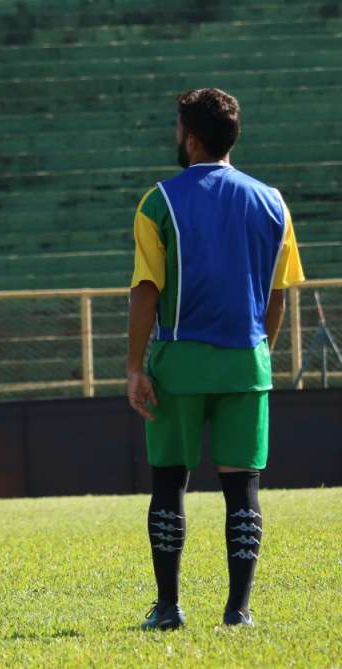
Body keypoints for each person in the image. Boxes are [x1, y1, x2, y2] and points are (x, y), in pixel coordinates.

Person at [126, 88, 305, 630]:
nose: (175, 135)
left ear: (192, 137)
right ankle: (238, 611)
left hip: (178, 363)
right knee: (242, 487)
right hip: (246, 363)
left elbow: (146, 291)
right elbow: (277, 297)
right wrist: (258, 355)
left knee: (168, 482)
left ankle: (169, 609)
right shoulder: (273, 201)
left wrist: (135, 367)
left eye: (178, 127)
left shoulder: (159, 200)